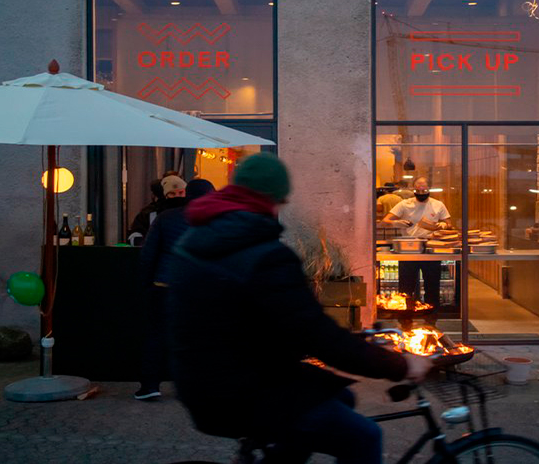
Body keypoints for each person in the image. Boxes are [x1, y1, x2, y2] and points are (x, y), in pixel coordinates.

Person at [167, 153, 432, 464]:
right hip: (245, 392)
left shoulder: (196, 241)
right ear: (271, 200)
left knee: (339, 396)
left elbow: (250, 321)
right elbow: (316, 335)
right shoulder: (264, 256)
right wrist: (399, 365)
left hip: (201, 383)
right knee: (364, 436)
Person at [134, 177, 216, 400]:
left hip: (165, 286)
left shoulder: (165, 218)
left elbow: (148, 255)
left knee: (156, 336)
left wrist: (144, 284)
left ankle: (150, 386)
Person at [382, 176, 453, 308]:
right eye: (418, 190)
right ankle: (406, 319)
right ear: (413, 189)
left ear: (429, 189)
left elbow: (449, 223)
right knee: (406, 288)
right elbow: (385, 221)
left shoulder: (438, 205)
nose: (421, 193)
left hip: (431, 248)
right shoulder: (405, 204)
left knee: (432, 286)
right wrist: (395, 222)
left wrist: (443, 225)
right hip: (408, 249)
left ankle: (431, 319)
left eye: (424, 190)